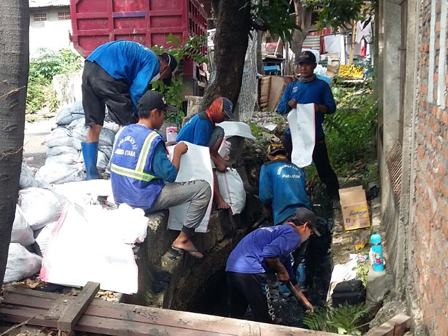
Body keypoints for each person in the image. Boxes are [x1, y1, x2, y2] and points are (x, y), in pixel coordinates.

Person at [110, 91, 211, 259]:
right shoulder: (152, 139)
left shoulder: (123, 132)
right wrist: (177, 152)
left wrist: (162, 147)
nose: (164, 118)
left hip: (121, 196)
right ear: (154, 113)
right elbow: (170, 175)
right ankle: (183, 238)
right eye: (163, 113)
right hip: (142, 199)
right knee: (203, 189)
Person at [82, 40, 178, 179]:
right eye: (165, 76)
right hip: (109, 72)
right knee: (130, 124)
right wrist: (139, 117)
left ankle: (91, 174)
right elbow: (136, 91)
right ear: (165, 67)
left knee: (94, 124)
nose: (161, 78)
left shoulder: (141, 55)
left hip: (90, 66)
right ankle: (117, 168)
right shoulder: (153, 61)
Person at [225, 208, 319, 323]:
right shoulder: (294, 236)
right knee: (263, 317)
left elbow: (291, 277)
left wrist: (305, 302)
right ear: (304, 226)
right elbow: (269, 254)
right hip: (249, 269)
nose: (309, 236)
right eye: (311, 232)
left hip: (232, 266)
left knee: (236, 313)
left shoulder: (281, 232)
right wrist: (282, 271)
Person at [277, 51, 339, 199]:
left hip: (314, 135)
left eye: (308, 65)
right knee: (288, 169)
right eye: (301, 65)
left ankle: (336, 198)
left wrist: (319, 108)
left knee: (324, 169)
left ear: (314, 66)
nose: (304, 68)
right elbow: (280, 109)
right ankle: (290, 198)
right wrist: (289, 104)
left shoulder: (322, 86)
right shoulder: (292, 87)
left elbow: (331, 108)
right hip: (293, 136)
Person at [176, 97, 234, 209]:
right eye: (224, 115)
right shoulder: (203, 121)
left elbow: (207, 148)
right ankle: (219, 199)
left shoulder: (210, 120)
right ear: (217, 109)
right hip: (187, 151)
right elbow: (200, 151)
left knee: (220, 131)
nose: (224, 119)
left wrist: (221, 161)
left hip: (197, 148)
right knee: (210, 166)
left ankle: (217, 160)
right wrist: (216, 163)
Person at [259, 142, 311, 226]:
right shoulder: (298, 167)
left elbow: (266, 195)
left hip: (284, 215)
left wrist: (266, 207)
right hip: (306, 214)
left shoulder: (266, 167)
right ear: (286, 155)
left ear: (269, 156)